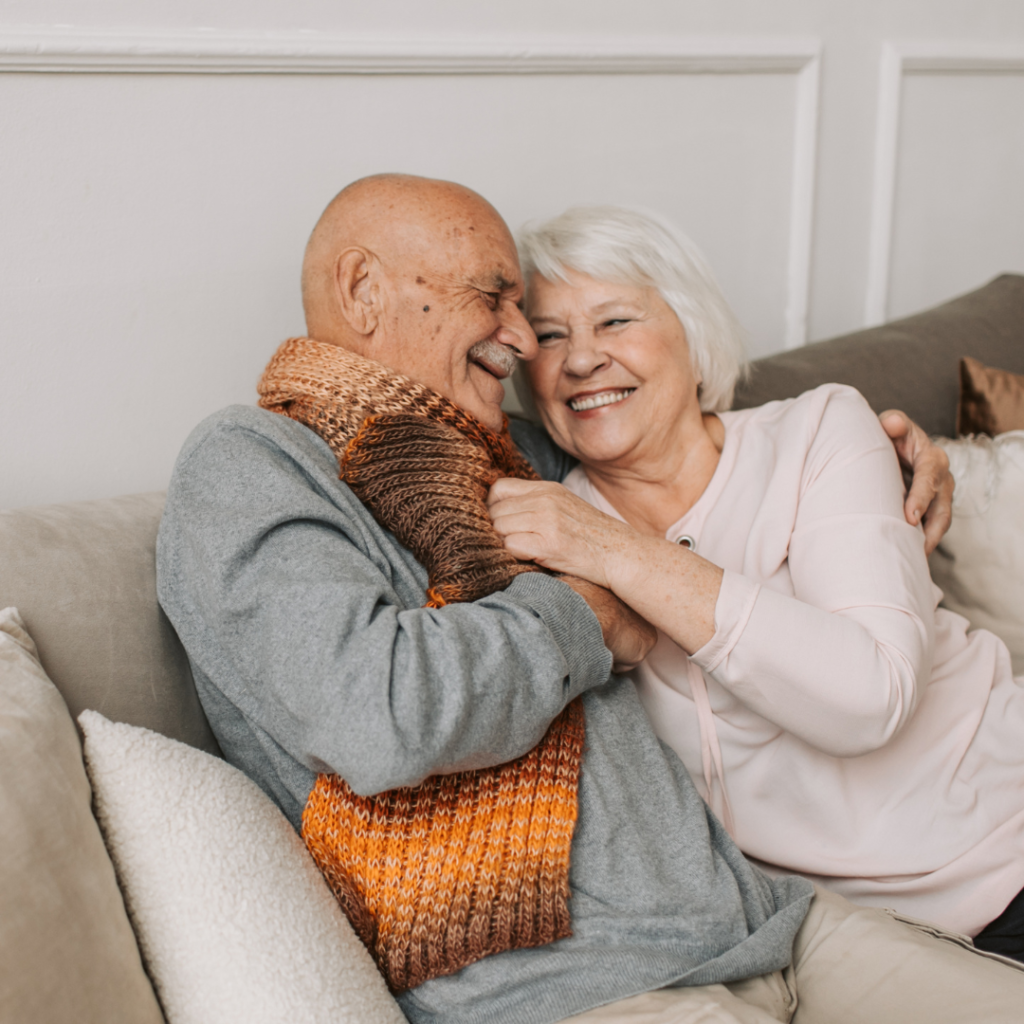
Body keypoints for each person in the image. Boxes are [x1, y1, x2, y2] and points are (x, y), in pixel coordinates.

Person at [157, 174, 1024, 1024]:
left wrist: (904, 456)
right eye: (502, 302)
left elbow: (680, 426)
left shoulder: (518, 455)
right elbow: (377, 713)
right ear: (363, 289)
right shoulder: (255, 463)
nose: (528, 346)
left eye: (527, 310)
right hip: (595, 983)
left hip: (774, 923)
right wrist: (593, 619)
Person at [487, 203, 1024, 963]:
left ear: (692, 333)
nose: (580, 360)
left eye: (614, 322)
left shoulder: (819, 432)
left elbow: (873, 697)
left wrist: (618, 552)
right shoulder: (545, 520)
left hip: (1006, 840)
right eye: (548, 335)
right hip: (844, 942)